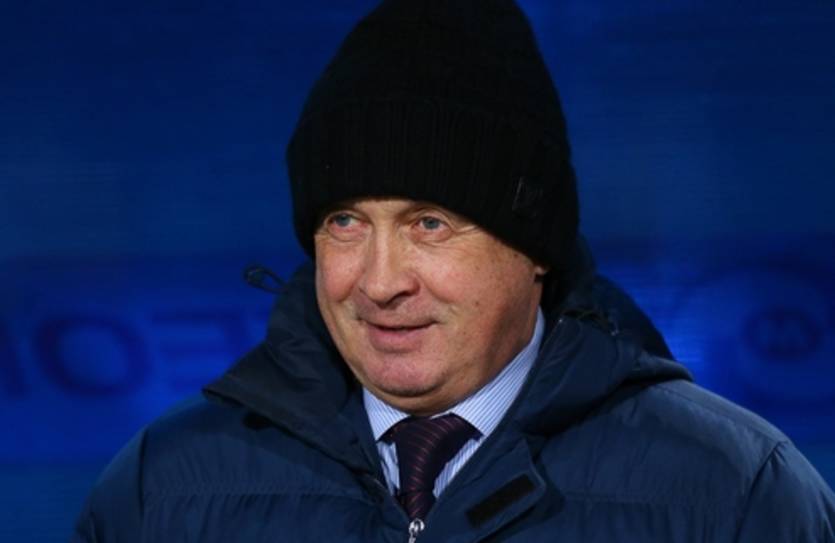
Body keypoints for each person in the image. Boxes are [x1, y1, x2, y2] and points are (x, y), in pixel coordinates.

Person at [73, 0, 835, 541]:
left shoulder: (733, 492)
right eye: (345, 222)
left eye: (428, 224)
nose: (379, 282)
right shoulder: (161, 487)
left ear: (536, 246)